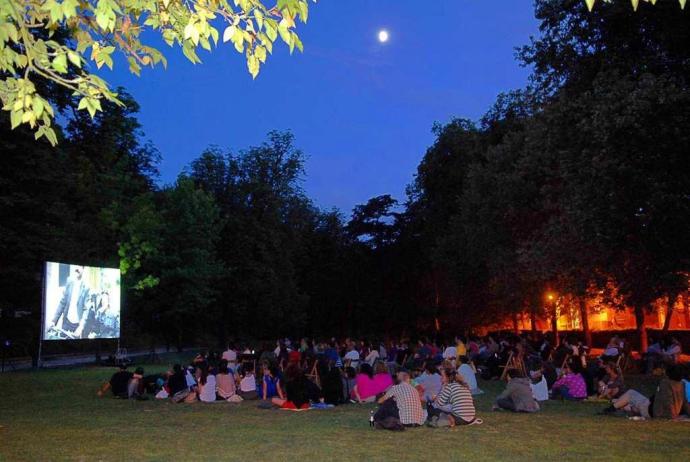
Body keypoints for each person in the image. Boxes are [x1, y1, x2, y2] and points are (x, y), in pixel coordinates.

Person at [47, 266, 90, 338]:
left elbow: (86, 310)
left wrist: (81, 327)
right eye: (76, 265)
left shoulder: (86, 287)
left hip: (77, 325)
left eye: (79, 266)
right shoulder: (69, 281)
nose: (77, 268)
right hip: (66, 322)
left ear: (83, 268)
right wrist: (54, 321)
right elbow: (62, 302)